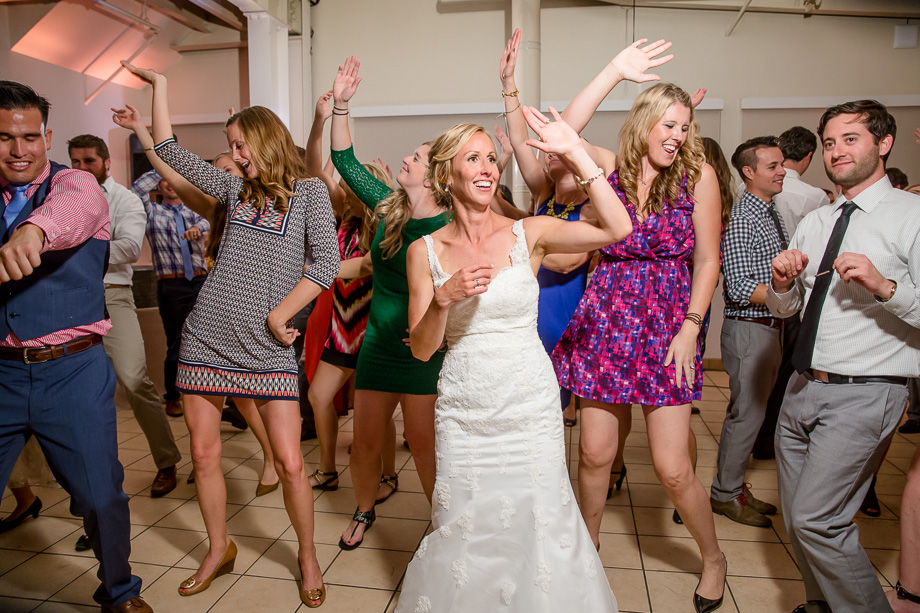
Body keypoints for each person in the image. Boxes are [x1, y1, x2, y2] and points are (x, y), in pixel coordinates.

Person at [118, 62, 338, 607]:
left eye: (241, 145)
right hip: (206, 336)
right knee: (205, 453)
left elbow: (326, 263)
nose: (237, 156)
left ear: (265, 138)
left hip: (267, 345)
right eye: (232, 147)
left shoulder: (309, 193)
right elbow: (169, 152)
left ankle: (308, 557)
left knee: (289, 462)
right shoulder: (235, 189)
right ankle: (218, 548)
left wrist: (277, 314)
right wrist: (162, 87)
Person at [401, 109, 631, 610]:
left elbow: (618, 227)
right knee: (465, 521)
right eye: (473, 159)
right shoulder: (424, 251)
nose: (487, 168)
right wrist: (442, 300)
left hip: (528, 404)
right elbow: (421, 350)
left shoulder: (530, 232)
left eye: (491, 159)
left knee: (538, 518)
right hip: (463, 410)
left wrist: (574, 151)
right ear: (446, 173)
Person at [554, 40, 727, 612]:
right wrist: (612, 71)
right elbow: (562, 135)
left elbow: (707, 260)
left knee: (673, 469)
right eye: (669, 124)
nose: (677, 135)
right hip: (606, 320)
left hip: (669, 325)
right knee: (595, 454)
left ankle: (714, 556)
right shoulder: (610, 168)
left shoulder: (697, 176)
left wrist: (691, 328)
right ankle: (589, 547)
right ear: (646, 122)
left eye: (685, 126)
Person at [0, 80, 153, 613]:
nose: (18, 150)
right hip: (0, 372)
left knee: (99, 495)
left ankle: (119, 592)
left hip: (72, 372)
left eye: (28, 137)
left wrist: (32, 232)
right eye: (2, 138)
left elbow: (70, 213)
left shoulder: (77, 187)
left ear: (46, 137)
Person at [766, 99, 920, 613]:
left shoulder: (911, 216)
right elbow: (792, 309)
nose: (836, 151)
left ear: (884, 144)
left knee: (818, 520)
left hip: (864, 392)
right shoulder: (817, 219)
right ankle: (821, 605)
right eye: (829, 142)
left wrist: (885, 285)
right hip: (801, 387)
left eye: (850, 139)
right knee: (797, 520)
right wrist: (782, 283)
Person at [329, 56, 449, 550]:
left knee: (423, 445)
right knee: (365, 441)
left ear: (436, 176)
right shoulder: (386, 207)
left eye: (417, 158)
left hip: (422, 351)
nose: (406, 159)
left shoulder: (448, 227)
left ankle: (443, 522)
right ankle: (363, 509)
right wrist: (340, 105)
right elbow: (345, 162)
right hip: (377, 345)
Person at [68, 133, 182, 497]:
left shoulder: (125, 199)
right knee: (76, 393)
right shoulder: (62, 198)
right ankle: (87, 479)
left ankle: (166, 461)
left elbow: (130, 249)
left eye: (88, 161)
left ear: (106, 162)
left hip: (112, 295)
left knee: (135, 380)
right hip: (70, 300)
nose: (81, 168)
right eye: (75, 161)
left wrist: (72, 245)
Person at [498, 29, 602, 428]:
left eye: (558, 147)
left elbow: (563, 262)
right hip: (529, 317)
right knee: (528, 413)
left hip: (565, 319)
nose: (546, 151)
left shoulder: (593, 207)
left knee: (553, 415)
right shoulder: (544, 193)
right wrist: (508, 84)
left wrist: (513, 242)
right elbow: (522, 142)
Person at [710, 136, 787, 528]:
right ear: (749, 172)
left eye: (781, 164)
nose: (781, 171)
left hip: (768, 328)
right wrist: (784, 297)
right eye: (772, 166)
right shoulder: (744, 217)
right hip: (750, 327)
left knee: (749, 415)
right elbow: (739, 285)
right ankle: (726, 495)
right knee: (746, 416)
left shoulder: (769, 212)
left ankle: (733, 486)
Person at [752, 126, 832, 461]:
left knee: (771, 383)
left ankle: (768, 440)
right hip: (785, 297)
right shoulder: (815, 198)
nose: (779, 173)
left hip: (781, 295)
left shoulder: (768, 201)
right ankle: (768, 442)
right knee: (783, 377)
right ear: (811, 155)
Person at [129, 169, 209, 418]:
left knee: (205, 341)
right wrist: (162, 165)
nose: (170, 184)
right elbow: (137, 190)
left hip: (201, 282)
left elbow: (211, 218)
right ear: (159, 185)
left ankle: (206, 393)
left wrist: (198, 228)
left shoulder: (195, 209)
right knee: (176, 342)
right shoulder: (152, 212)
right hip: (171, 286)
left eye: (174, 179)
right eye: (165, 180)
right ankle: (173, 396)